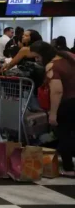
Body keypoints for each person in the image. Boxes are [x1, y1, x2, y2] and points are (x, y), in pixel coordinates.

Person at [29, 41, 75, 177]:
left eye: (37, 57)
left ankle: (68, 168)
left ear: (44, 54)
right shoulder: (69, 56)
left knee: (64, 134)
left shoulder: (52, 66)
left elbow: (57, 91)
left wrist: (53, 114)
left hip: (66, 103)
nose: (36, 60)